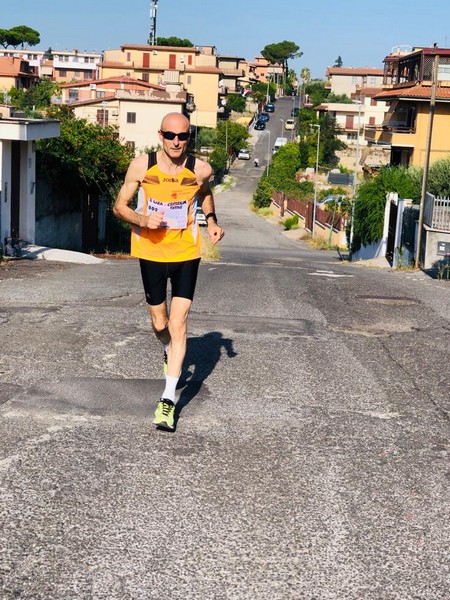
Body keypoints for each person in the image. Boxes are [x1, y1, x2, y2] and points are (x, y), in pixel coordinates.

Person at [113, 112, 224, 430]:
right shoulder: (142, 165)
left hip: (187, 253)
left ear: (190, 138)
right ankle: (167, 348)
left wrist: (212, 221)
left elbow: (203, 193)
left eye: (183, 136)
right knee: (160, 323)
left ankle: (167, 400)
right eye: (171, 135)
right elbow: (119, 207)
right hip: (150, 252)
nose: (177, 141)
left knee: (179, 322)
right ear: (161, 136)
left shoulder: (200, 169)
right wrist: (142, 219)